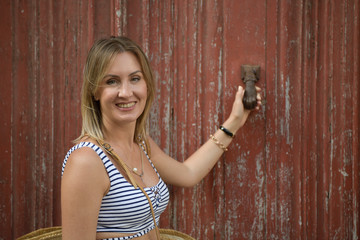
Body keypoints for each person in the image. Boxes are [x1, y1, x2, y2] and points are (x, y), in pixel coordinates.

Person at [61, 36, 262, 240]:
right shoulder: (86, 161)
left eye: (135, 78)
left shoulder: (140, 143)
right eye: (112, 81)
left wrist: (235, 121)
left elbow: (187, 173)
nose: (126, 92)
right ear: (94, 90)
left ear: (146, 84)